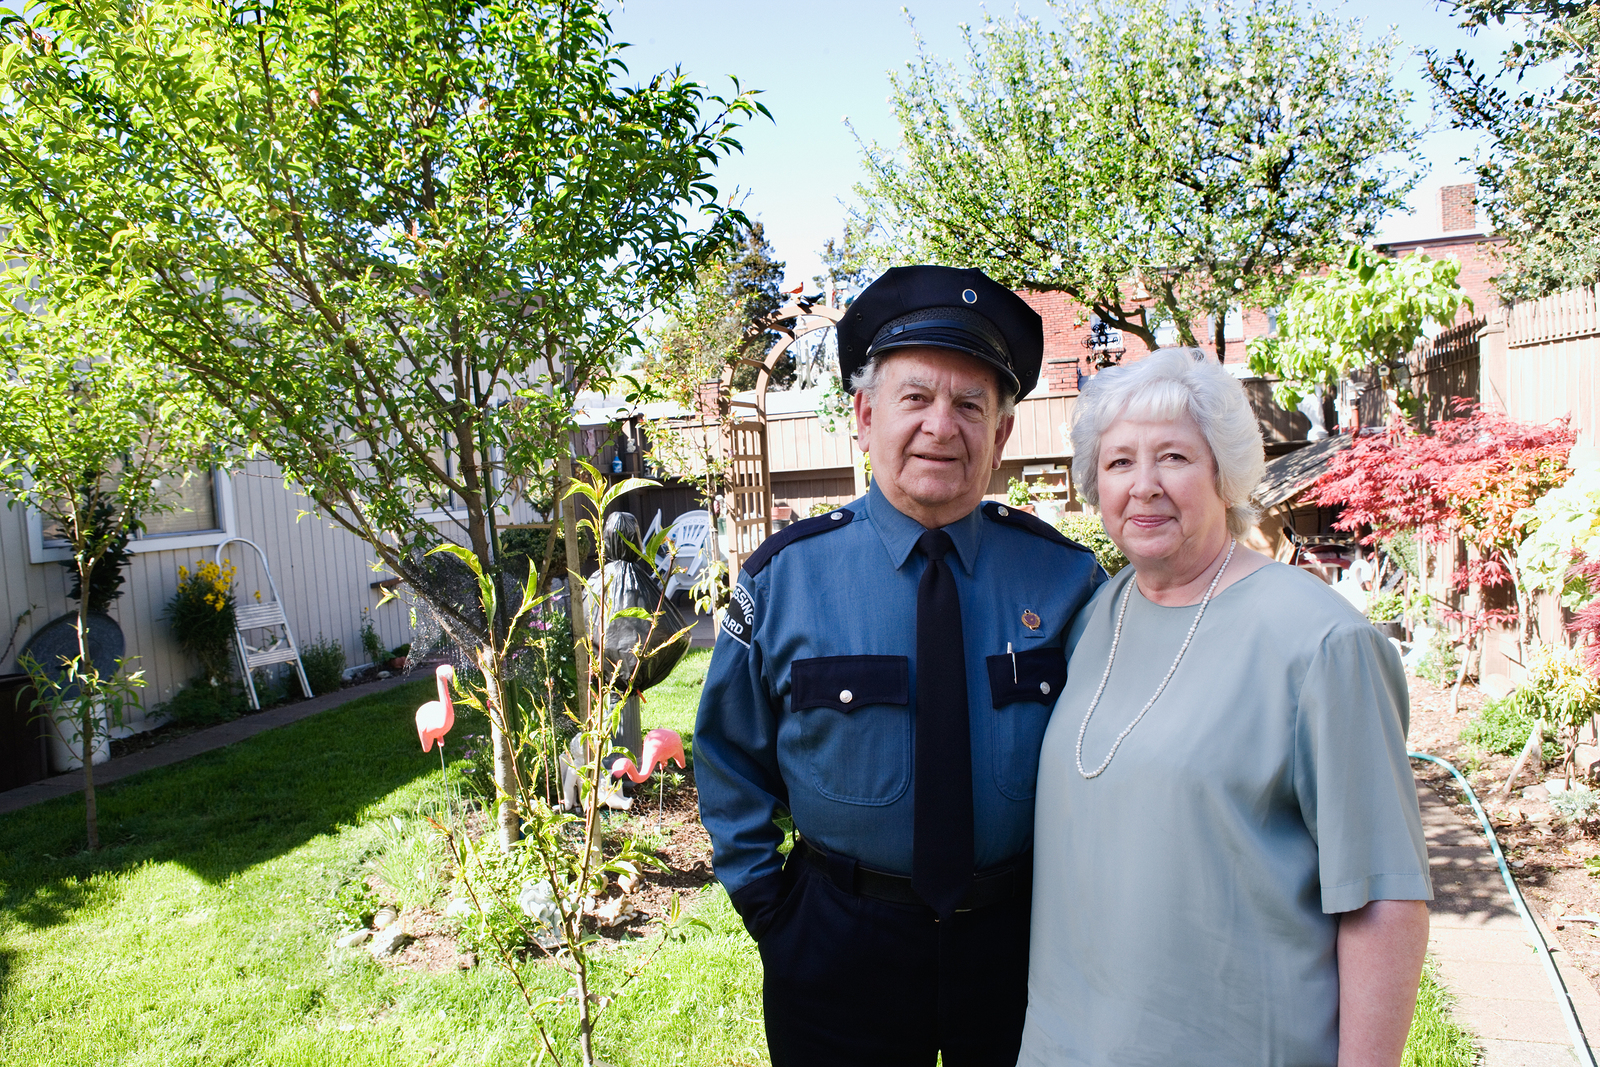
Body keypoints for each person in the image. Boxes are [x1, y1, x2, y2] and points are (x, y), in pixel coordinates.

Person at [694, 265, 1105, 1067]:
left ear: (1003, 433)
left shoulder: (1066, 581)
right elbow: (727, 755)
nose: (941, 427)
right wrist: (772, 910)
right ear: (864, 413)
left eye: (970, 405)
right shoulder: (784, 581)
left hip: (1023, 945)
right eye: (916, 399)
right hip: (840, 947)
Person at [1017, 348, 1432, 1067]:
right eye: (1118, 463)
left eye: (1174, 456)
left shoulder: (1322, 642)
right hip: (1066, 1043)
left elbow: (1383, 903)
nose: (1143, 487)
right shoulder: (1097, 615)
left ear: (1223, 471)